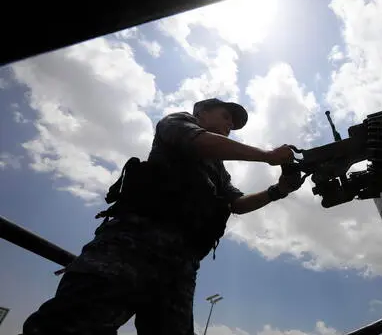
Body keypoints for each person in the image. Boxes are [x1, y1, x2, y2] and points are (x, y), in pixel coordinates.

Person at [22, 98, 304, 335]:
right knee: (72, 324)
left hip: (180, 266)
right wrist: (267, 155)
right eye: (226, 117)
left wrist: (278, 190)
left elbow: (237, 204)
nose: (230, 125)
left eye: (233, 124)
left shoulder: (218, 168)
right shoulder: (178, 123)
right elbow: (201, 143)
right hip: (132, 245)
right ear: (201, 112)